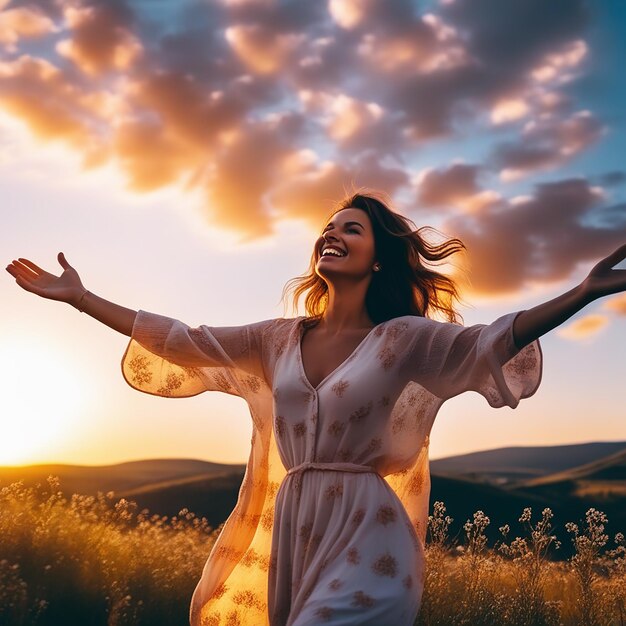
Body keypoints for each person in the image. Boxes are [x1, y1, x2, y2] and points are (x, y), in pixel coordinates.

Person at [5, 189, 625, 626]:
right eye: (328, 229)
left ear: (378, 256)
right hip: (295, 528)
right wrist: (81, 298)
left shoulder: (405, 338)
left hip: (370, 527)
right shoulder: (276, 339)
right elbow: (179, 339)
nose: (333, 234)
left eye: (351, 228)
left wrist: (584, 292)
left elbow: (495, 339)